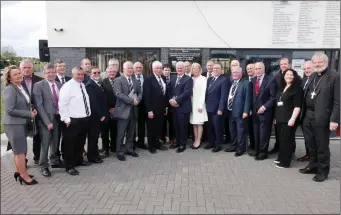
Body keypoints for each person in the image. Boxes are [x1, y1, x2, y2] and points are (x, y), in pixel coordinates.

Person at [299, 53, 340, 182]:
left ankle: (323, 171)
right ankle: (313, 165)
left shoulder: (335, 76)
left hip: (323, 117)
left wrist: (334, 120)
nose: (317, 64)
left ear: (326, 62)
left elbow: (338, 101)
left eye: (320, 62)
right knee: (310, 144)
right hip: (308, 115)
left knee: (322, 146)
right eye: (315, 62)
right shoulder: (312, 76)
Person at [2, 65, 38, 185]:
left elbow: (23, 103)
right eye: (15, 74)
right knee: (21, 151)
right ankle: (24, 175)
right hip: (13, 124)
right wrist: (28, 114)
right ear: (10, 78)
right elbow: (10, 109)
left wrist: (31, 110)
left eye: (19, 72)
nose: (19, 75)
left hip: (20, 123)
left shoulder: (19, 87)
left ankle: (19, 172)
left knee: (18, 151)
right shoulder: (10, 89)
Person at [59, 67, 92, 175]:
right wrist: (66, 119)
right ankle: (69, 166)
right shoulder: (67, 86)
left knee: (80, 143)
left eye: (82, 74)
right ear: (73, 74)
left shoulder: (82, 85)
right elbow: (62, 104)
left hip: (84, 119)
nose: (81, 76)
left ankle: (78, 161)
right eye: (78, 74)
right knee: (70, 145)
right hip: (72, 120)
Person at [33, 63, 64, 177]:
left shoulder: (59, 85)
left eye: (53, 72)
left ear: (56, 73)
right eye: (48, 72)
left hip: (58, 117)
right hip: (45, 119)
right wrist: (47, 122)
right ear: (44, 73)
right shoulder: (38, 85)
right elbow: (39, 105)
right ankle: (43, 166)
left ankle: (54, 161)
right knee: (45, 143)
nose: (51, 74)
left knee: (56, 141)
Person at [112, 61, 142, 161]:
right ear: (123, 69)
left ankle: (129, 149)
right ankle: (120, 152)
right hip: (123, 111)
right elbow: (118, 94)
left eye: (131, 68)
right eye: (128, 68)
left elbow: (140, 92)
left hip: (133, 111)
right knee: (121, 133)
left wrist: (138, 99)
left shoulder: (135, 79)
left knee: (131, 132)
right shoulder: (118, 80)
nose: (130, 70)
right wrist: (131, 101)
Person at [273, 69, 302, 168]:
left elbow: (297, 106)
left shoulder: (297, 89)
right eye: (287, 74)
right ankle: (281, 158)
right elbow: (278, 104)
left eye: (291, 75)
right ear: (284, 76)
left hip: (289, 120)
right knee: (281, 141)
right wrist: (276, 117)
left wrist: (293, 119)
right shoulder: (283, 87)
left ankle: (285, 162)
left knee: (287, 141)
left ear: (294, 76)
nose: (289, 76)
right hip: (280, 119)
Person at [251, 62, 277, 160]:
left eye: (259, 68)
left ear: (264, 69)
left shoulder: (271, 80)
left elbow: (273, 97)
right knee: (256, 132)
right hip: (254, 112)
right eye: (256, 69)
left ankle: (263, 153)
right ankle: (257, 150)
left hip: (265, 112)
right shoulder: (253, 80)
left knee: (264, 134)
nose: (257, 70)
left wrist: (264, 107)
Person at [224, 66, 251, 156]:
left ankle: (240, 149)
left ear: (241, 73)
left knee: (240, 132)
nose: (234, 74)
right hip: (230, 111)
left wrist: (246, 111)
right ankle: (234, 146)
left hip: (240, 113)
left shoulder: (246, 83)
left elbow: (248, 99)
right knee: (233, 131)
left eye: (236, 72)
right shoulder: (232, 82)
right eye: (233, 72)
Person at [143, 61, 169, 153]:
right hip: (152, 110)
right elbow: (146, 96)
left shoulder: (163, 78)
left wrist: (166, 107)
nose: (159, 69)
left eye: (160, 68)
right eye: (157, 68)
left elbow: (165, 94)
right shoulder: (148, 79)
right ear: (153, 69)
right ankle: (151, 147)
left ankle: (157, 143)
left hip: (161, 109)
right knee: (151, 129)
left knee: (159, 128)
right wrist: (149, 110)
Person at [204, 62, 230, 153]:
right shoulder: (210, 79)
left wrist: (220, 109)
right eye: (214, 68)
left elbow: (223, 96)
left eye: (217, 68)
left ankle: (218, 144)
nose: (215, 70)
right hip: (208, 108)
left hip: (217, 109)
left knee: (217, 127)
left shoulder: (224, 80)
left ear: (221, 70)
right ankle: (211, 142)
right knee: (209, 127)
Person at [169, 61, 193, 153]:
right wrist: (171, 100)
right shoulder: (173, 78)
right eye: (178, 68)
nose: (179, 69)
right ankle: (177, 142)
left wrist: (176, 101)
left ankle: (183, 145)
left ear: (184, 69)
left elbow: (187, 92)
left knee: (183, 127)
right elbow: (170, 90)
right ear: (176, 69)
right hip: (174, 108)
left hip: (183, 107)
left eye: (181, 68)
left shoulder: (188, 79)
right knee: (176, 126)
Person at [85, 66, 108, 164]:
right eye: (94, 73)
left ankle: (95, 154)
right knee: (93, 137)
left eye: (98, 72)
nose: (97, 74)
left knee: (95, 137)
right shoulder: (90, 85)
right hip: (95, 116)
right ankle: (91, 157)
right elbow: (93, 103)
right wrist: (100, 115)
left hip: (100, 115)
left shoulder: (99, 83)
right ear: (90, 74)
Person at [297, 60, 313, 162]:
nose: (306, 70)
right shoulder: (303, 80)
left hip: (312, 115)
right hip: (304, 114)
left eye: (309, 68)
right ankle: (309, 154)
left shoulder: (316, 80)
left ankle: (313, 158)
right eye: (305, 69)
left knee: (312, 139)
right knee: (307, 138)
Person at [101, 65, 119, 156]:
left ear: (116, 72)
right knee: (105, 131)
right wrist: (108, 109)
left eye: (114, 72)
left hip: (117, 110)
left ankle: (114, 147)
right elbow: (102, 97)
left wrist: (116, 108)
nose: (112, 73)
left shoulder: (119, 81)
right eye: (110, 72)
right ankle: (105, 149)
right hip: (106, 111)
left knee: (114, 130)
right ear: (106, 73)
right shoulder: (103, 82)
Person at [189, 63, 208, 149]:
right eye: (193, 68)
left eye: (197, 68)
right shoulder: (191, 79)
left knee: (199, 123)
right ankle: (195, 139)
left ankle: (198, 141)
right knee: (194, 123)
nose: (195, 70)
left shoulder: (203, 79)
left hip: (199, 104)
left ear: (200, 69)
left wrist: (200, 105)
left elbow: (203, 92)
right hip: (192, 104)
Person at [133, 62, 148, 149]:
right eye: (137, 67)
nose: (138, 69)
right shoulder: (130, 78)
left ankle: (141, 142)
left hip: (143, 105)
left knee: (141, 124)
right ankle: (132, 142)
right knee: (132, 124)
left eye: (140, 67)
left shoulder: (146, 78)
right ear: (134, 69)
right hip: (133, 104)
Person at [161, 64, 175, 146]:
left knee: (172, 122)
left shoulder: (174, 78)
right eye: (165, 70)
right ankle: (162, 138)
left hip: (172, 105)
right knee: (162, 123)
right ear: (162, 71)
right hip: (162, 105)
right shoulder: (160, 78)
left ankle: (172, 139)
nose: (167, 71)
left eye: (168, 70)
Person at [245, 63, 256, 156]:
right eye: (247, 69)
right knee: (249, 128)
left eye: (251, 68)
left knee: (254, 129)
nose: (249, 70)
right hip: (247, 109)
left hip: (256, 110)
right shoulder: (245, 80)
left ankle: (254, 146)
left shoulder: (257, 80)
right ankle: (251, 145)